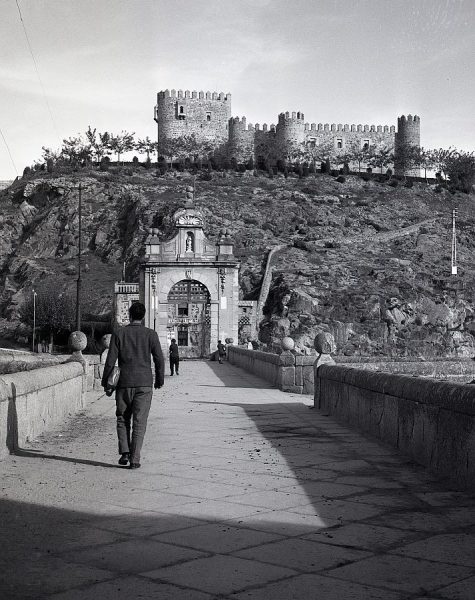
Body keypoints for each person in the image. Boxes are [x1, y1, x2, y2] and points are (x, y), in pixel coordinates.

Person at [101, 302, 164, 470]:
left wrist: (105, 381)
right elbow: (159, 358)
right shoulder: (151, 334)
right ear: (143, 316)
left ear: (130, 315)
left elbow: (110, 361)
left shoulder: (119, 333)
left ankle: (125, 452)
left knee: (122, 418)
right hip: (144, 384)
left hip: (123, 384)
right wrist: (159, 379)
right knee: (139, 421)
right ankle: (135, 459)